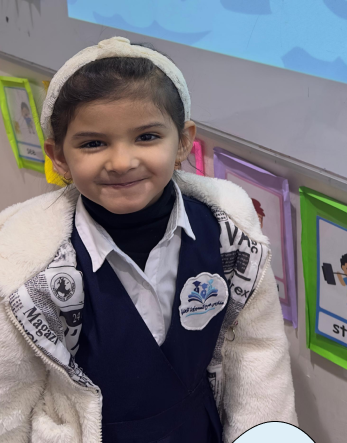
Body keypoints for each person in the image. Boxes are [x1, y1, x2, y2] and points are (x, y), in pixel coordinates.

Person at [0, 37, 297, 443]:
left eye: (146, 137)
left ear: (183, 141)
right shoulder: (26, 264)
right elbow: (8, 399)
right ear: (60, 157)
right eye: (93, 143)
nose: (122, 162)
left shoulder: (227, 232)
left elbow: (258, 352)